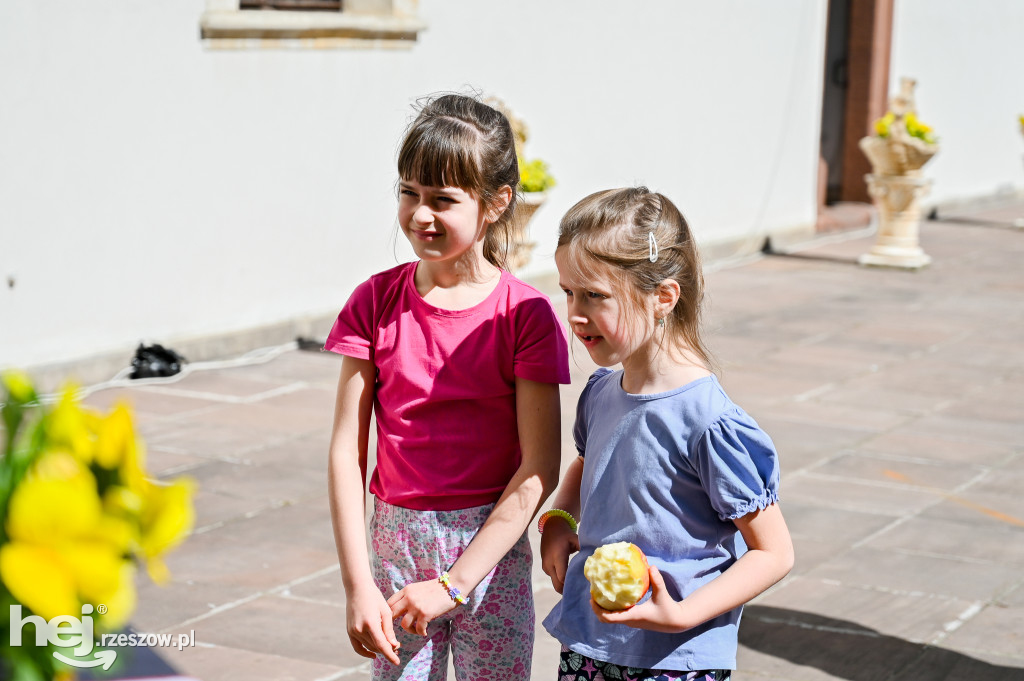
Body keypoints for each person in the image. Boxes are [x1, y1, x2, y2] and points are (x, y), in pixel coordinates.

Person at [324, 93, 570, 681]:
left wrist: (456, 583)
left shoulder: (525, 317)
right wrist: (359, 585)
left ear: (495, 204)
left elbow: (539, 467)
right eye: (408, 192)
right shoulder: (374, 302)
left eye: (442, 200)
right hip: (395, 549)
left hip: (489, 555)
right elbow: (345, 452)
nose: (419, 214)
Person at [539, 187, 794, 681]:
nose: (574, 313)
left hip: (675, 661)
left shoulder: (709, 422)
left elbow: (774, 552)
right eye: (569, 292)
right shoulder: (601, 392)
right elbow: (590, 463)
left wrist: (681, 613)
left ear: (663, 297)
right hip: (592, 640)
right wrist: (560, 517)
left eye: (594, 295)